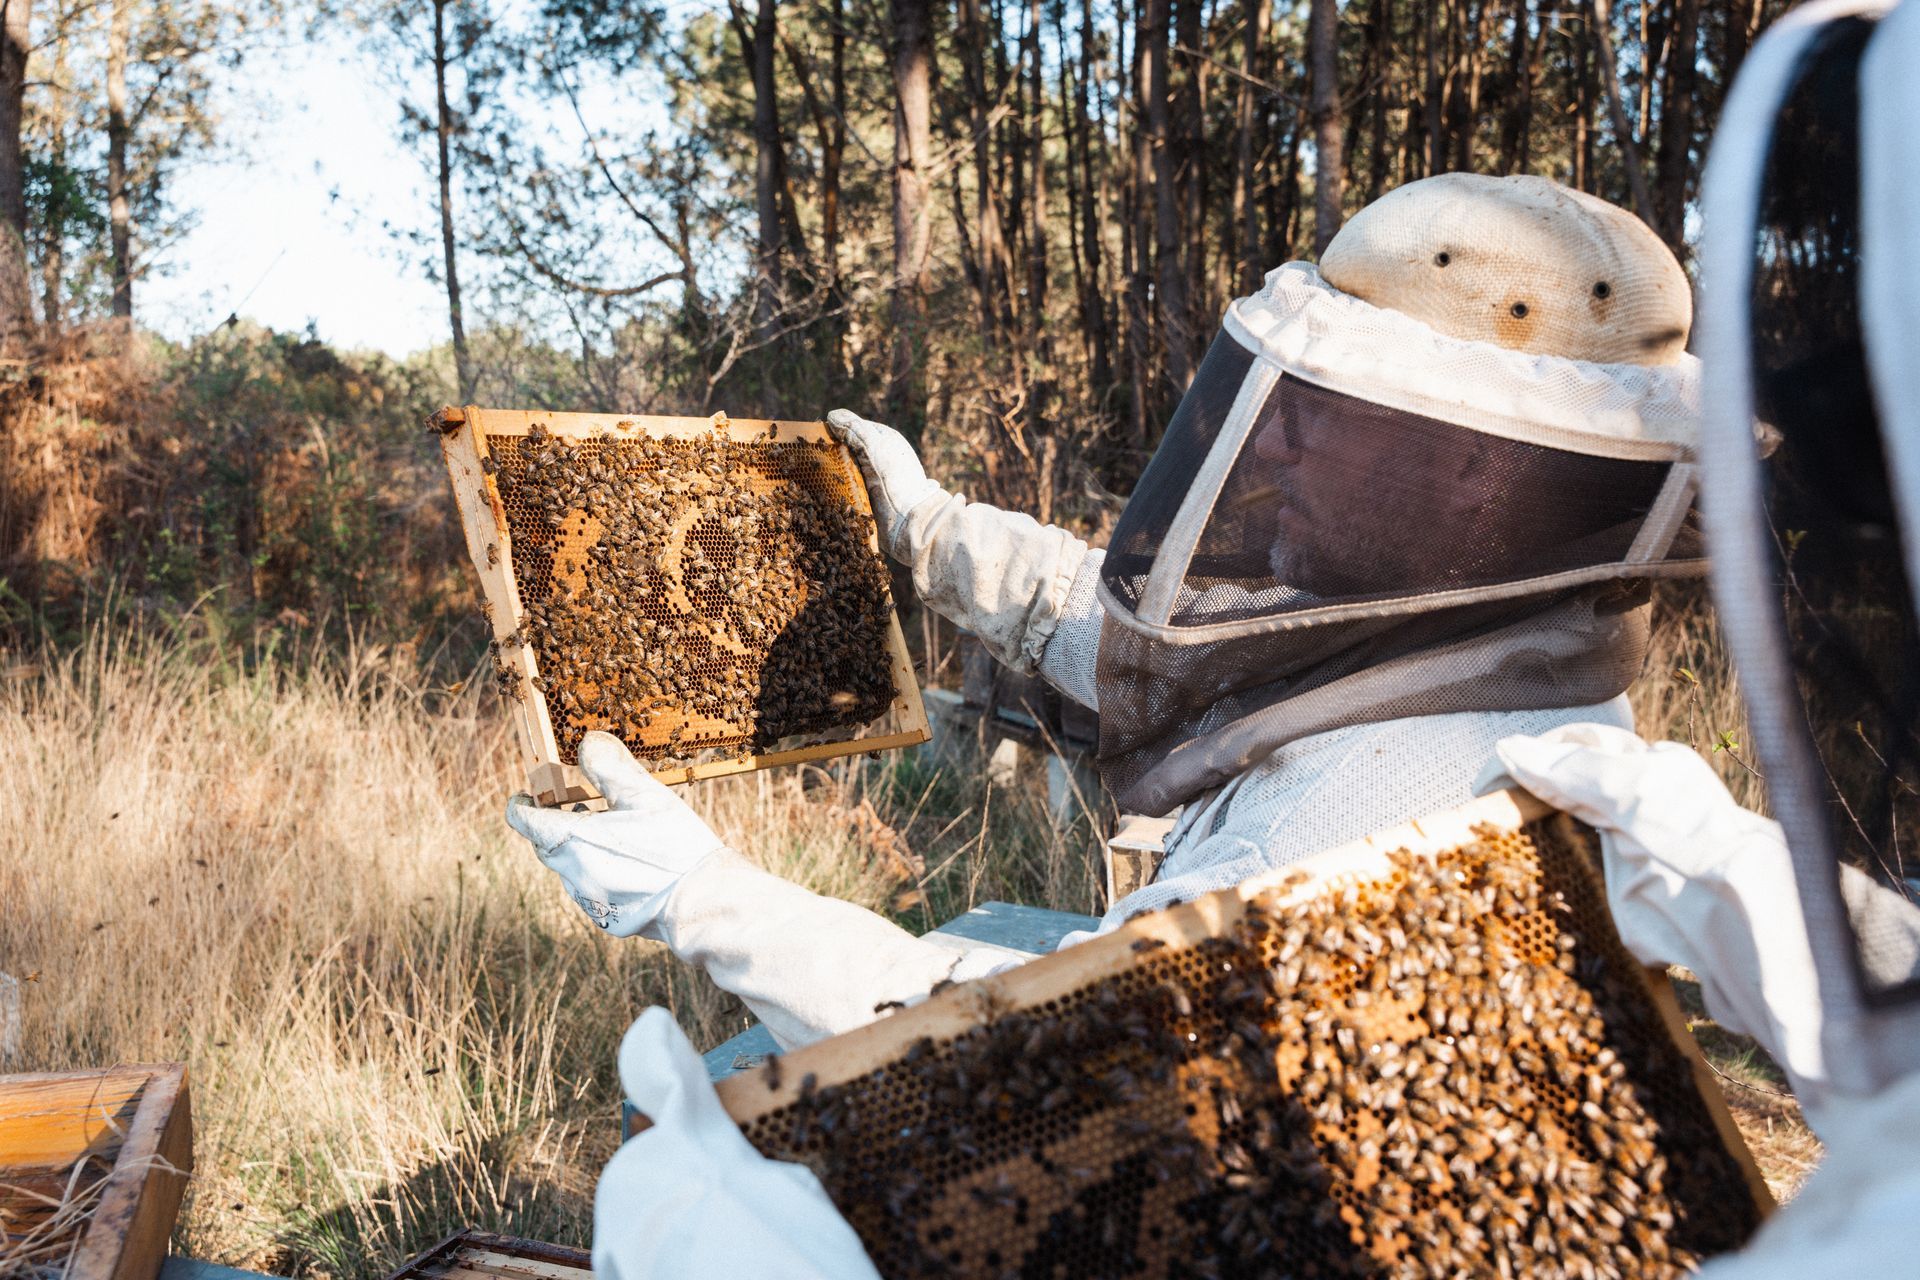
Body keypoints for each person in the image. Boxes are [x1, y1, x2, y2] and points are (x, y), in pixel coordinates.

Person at [506, 170, 1707, 1053]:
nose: (1286, 448)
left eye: (1341, 423)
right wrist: (929, 527)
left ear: (1474, 474)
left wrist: (700, 894)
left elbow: (1015, 1044)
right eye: (1295, 403)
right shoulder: (1485, 647)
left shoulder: (1359, 827)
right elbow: (1160, 642)